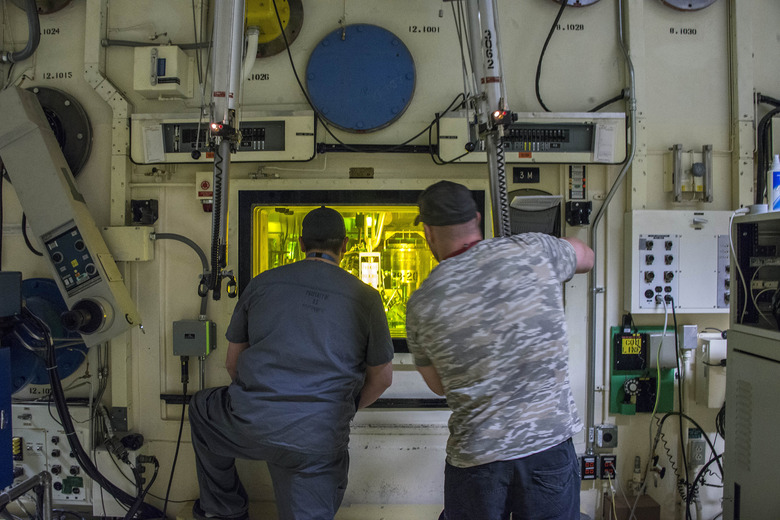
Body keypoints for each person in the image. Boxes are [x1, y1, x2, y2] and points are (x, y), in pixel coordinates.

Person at [189, 206, 394, 520]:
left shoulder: (261, 283)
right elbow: (382, 379)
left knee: (202, 408)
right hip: (318, 438)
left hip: (250, 424)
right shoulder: (366, 297)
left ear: (300, 243)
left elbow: (233, 363)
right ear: (346, 245)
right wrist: (341, 410)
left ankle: (224, 510)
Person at [405, 180, 594, 520]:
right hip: (548, 449)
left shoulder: (422, 303)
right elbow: (586, 257)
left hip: (476, 457)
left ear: (429, 233)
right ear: (476, 219)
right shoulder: (534, 250)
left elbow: (439, 385)